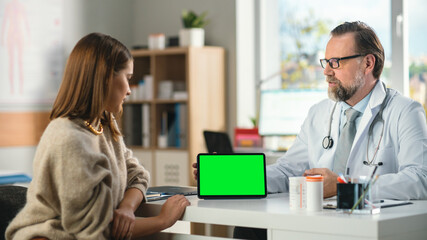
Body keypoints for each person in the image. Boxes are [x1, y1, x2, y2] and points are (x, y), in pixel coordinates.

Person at [193, 21, 427, 240]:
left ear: (368, 63)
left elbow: (420, 179)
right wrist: (231, 177)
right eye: (326, 62)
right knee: (249, 229)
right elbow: (288, 171)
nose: (327, 71)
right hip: (320, 219)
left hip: (367, 225)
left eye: (336, 62)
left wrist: (343, 186)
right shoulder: (319, 113)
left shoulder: (405, 111)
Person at [6, 32, 190, 240]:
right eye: (127, 78)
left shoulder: (103, 123)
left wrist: (127, 209)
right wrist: (162, 221)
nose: (129, 90)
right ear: (104, 78)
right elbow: (94, 232)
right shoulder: (68, 137)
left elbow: (137, 175)